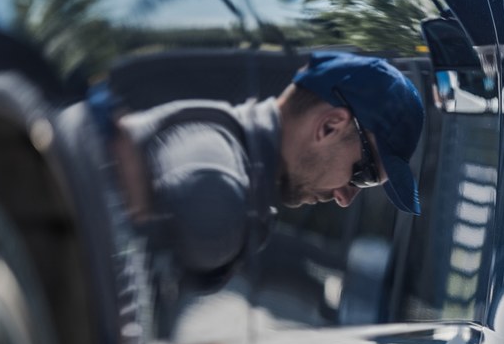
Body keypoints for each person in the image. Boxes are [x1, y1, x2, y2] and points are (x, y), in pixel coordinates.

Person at [100, 51, 425, 285]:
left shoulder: (219, 152)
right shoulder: (217, 198)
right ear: (329, 127)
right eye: (362, 175)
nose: (344, 198)